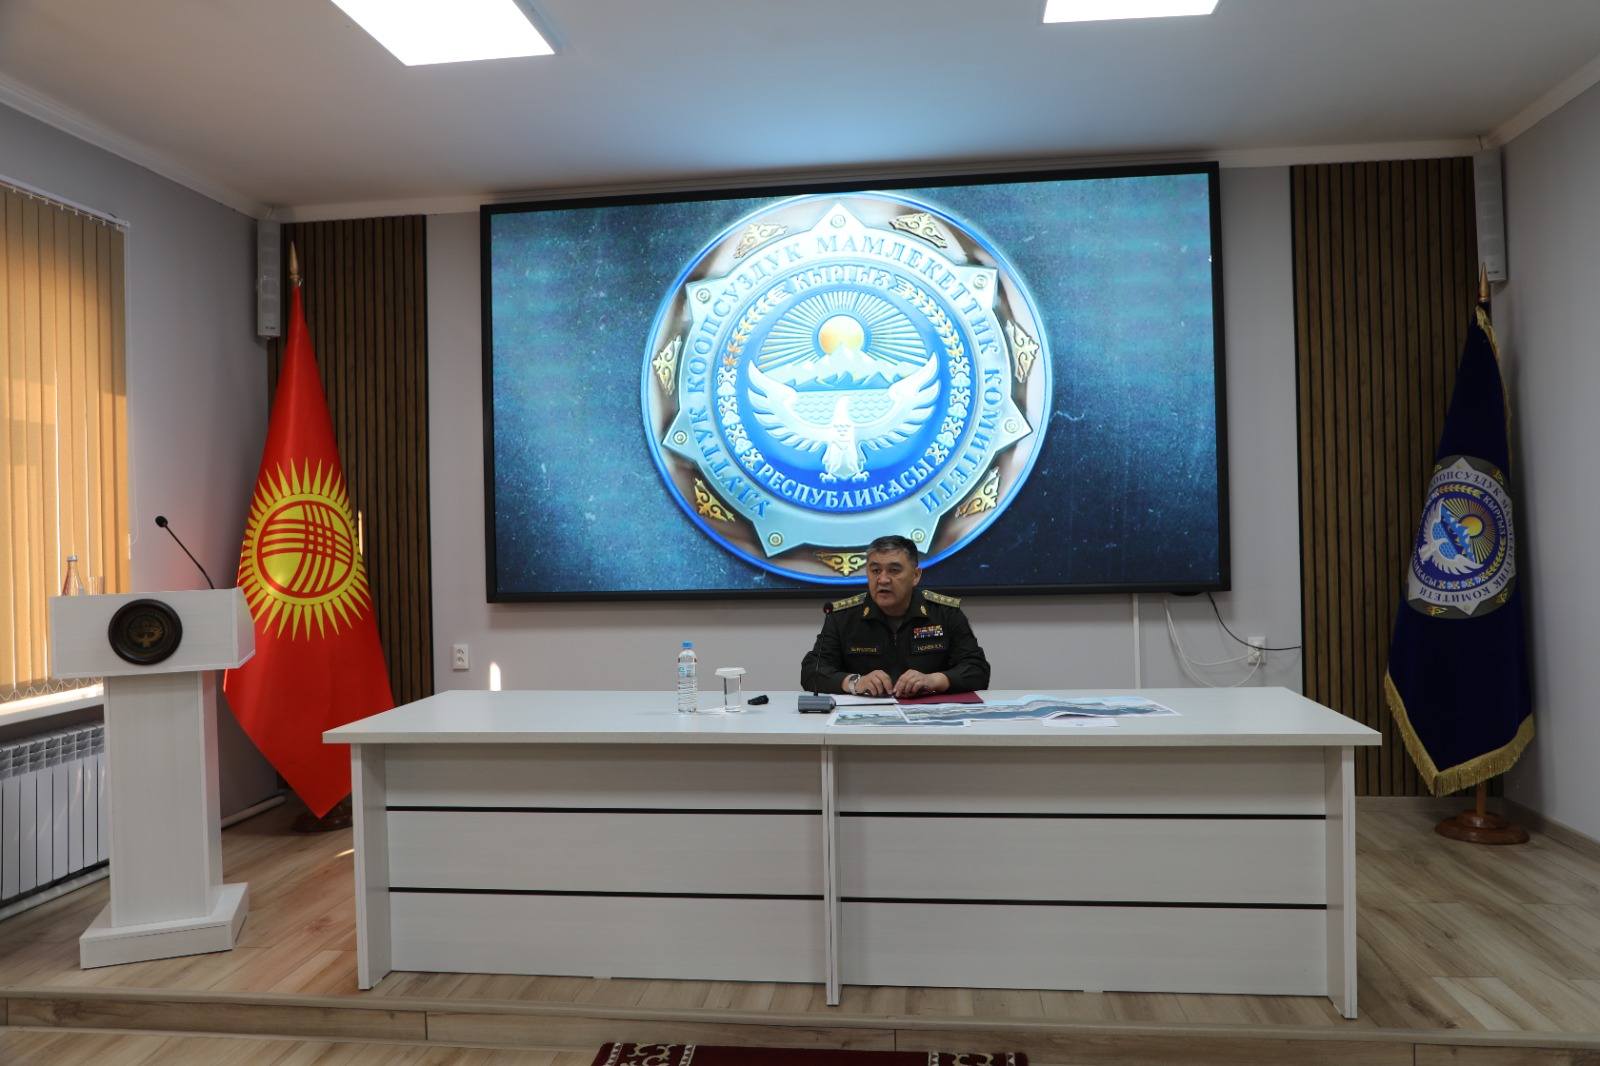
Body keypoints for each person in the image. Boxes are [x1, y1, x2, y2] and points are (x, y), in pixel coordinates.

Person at [800, 535, 990, 697]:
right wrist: (855, 682)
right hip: (864, 718)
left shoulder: (944, 613)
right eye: (875, 571)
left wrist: (934, 680)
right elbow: (811, 671)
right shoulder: (843, 617)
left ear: (915, 575)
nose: (883, 579)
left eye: (894, 570)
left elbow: (978, 670)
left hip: (928, 717)